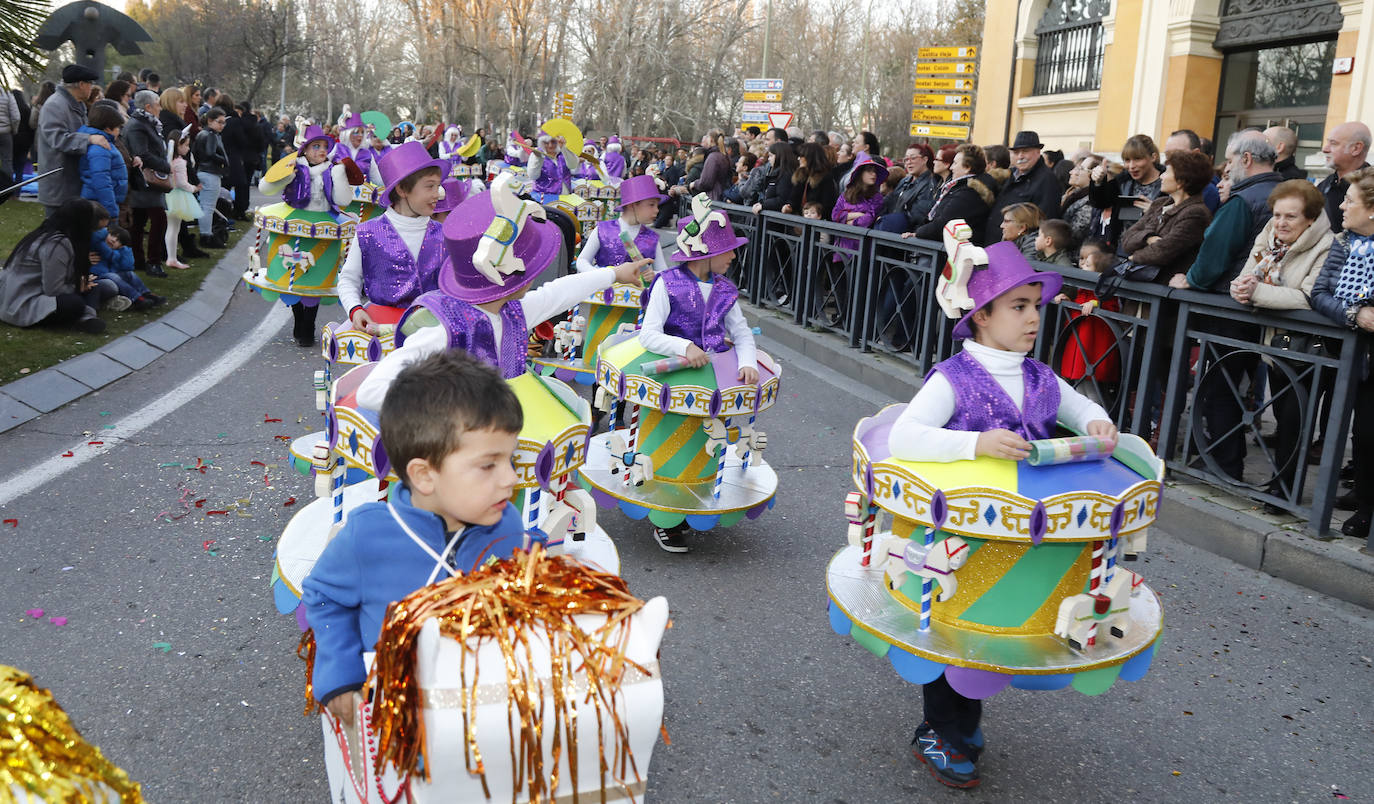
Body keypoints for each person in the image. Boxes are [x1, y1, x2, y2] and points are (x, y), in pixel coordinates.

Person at [886, 241, 1116, 789]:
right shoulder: (953, 377)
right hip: (965, 533)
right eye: (1019, 306)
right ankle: (938, 727)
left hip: (1022, 534)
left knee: (996, 626)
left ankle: (961, 722)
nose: (1035, 317)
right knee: (953, 623)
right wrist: (975, 444)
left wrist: (1098, 423)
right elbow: (904, 435)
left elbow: (1082, 407)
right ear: (982, 316)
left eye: (1036, 304)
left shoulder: (1039, 376)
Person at [302, 349, 535, 726]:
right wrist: (340, 674)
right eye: (489, 465)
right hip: (395, 715)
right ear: (424, 476)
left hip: (482, 709)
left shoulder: (507, 525)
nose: (510, 478)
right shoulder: (369, 535)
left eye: (511, 458)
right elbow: (323, 597)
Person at [355, 173, 642, 410]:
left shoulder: (514, 312)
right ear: (511, 275)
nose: (536, 276)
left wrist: (615, 273)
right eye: (532, 268)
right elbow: (370, 391)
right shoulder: (445, 329)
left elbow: (560, 292)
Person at [637, 195, 759, 552]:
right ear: (705, 254)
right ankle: (665, 511)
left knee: (702, 439)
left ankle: (696, 495)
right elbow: (649, 333)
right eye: (728, 250)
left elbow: (740, 331)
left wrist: (746, 361)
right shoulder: (666, 283)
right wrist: (682, 347)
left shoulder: (725, 290)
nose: (734, 256)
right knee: (670, 440)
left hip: (710, 376)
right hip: (675, 376)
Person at [1169, 130, 1281, 482]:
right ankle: (1224, 460)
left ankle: (1222, 463)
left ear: (1246, 159)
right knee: (1235, 386)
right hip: (1257, 305)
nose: (1226, 169)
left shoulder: (1243, 200)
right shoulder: (1278, 190)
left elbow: (1215, 253)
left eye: (1231, 161)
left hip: (1228, 306)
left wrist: (1191, 279)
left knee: (1219, 387)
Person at [1228, 180, 1333, 510]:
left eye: (1291, 216)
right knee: (1282, 413)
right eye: (1277, 215)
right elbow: (1248, 274)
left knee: (1294, 420)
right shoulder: (1268, 236)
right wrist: (1240, 289)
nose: (1281, 223)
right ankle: (1279, 483)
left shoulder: (1326, 245)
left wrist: (1256, 293)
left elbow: (1309, 297)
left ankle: (1285, 490)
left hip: (1310, 348)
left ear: (1311, 219)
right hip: (1276, 341)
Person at [1309, 167, 1374, 535]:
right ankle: (1364, 498)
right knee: (1362, 434)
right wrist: (1355, 313)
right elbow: (1319, 294)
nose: (1343, 207)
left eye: (1350, 201)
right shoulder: (1345, 242)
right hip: (1355, 351)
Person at [337, 141, 450, 337]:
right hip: (380, 329)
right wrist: (355, 309)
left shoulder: (444, 234)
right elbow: (348, 278)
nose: (437, 195)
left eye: (438, 186)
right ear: (402, 190)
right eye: (430, 186)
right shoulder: (368, 232)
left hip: (431, 331)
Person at [258, 124, 358, 345]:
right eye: (316, 146)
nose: (322, 150)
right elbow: (266, 187)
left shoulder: (333, 170)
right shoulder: (294, 166)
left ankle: (308, 324)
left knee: (316, 279)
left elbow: (343, 201)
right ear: (305, 149)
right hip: (293, 224)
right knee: (291, 280)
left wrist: (340, 175)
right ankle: (298, 319)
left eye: (324, 146)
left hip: (325, 228)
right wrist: (286, 175)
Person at [0, 197, 116, 332]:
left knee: (107, 287)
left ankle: (87, 314)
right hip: (23, 302)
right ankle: (86, 316)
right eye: (95, 229)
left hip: (32, 294)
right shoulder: (57, 243)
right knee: (74, 303)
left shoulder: (52, 234)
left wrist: (81, 283)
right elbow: (53, 290)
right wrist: (79, 286)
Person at [1118, 150, 1215, 281]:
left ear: (1181, 181)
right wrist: (1148, 238)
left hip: (1165, 290)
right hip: (1143, 287)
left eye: (1167, 172)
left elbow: (1162, 252)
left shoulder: (1196, 213)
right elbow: (1127, 240)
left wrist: (1134, 257)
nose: (1161, 176)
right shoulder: (1159, 204)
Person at [38, 65, 105, 217]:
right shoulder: (54, 105)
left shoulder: (77, 104)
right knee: (58, 235)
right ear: (81, 84)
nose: (92, 88)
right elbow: (58, 139)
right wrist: (89, 139)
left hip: (73, 182)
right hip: (59, 185)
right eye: (90, 84)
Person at [574, 173, 668, 277]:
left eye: (657, 205)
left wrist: (654, 274)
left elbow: (664, 272)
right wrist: (599, 274)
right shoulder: (603, 230)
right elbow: (582, 260)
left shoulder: (652, 238)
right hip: (604, 290)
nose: (657, 210)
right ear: (632, 205)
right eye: (651, 205)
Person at [123, 90, 171, 277]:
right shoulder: (137, 126)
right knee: (157, 220)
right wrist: (165, 166)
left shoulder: (147, 124)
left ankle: (140, 259)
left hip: (148, 182)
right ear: (148, 107)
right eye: (158, 103)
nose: (160, 107)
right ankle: (152, 261)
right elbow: (141, 153)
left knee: (140, 221)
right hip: (144, 182)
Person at [907, 144, 995, 244]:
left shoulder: (969, 193)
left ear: (967, 167)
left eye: (955, 163)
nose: (952, 167)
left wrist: (918, 233)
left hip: (952, 252)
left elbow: (943, 222)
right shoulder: (962, 187)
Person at [983, 131, 1060, 244]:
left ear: (1038, 152)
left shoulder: (1047, 180)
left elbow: (1046, 221)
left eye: (1025, 151)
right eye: (1016, 152)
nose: (1020, 156)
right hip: (996, 244)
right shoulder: (1011, 174)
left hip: (1017, 250)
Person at [1087, 134, 1163, 247]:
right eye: (1127, 160)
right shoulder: (1122, 180)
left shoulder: (1167, 182)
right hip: (1120, 249)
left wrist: (1155, 212)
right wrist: (1098, 182)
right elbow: (1100, 203)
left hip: (1150, 250)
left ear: (1153, 157)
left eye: (1137, 159)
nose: (1131, 166)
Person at [92, 222, 162, 310]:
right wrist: (105, 232)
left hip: (112, 277)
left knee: (130, 274)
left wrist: (123, 249)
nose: (113, 240)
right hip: (97, 277)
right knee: (112, 276)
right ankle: (137, 299)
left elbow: (127, 266)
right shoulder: (98, 244)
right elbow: (95, 235)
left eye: (118, 241)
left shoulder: (118, 253)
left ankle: (146, 294)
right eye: (112, 235)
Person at [1317, 122, 1371, 234]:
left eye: (1333, 143)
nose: (1325, 149)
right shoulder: (1323, 186)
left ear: (1356, 148)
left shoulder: (1370, 187)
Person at [78, 103, 128, 220]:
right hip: (100, 206)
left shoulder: (105, 144)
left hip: (101, 202)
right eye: (118, 128)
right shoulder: (100, 148)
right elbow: (101, 182)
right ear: (108, 128)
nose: (119, 131)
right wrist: (110, 211)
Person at [875, 143, 936, 233]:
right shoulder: (905, 181)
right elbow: (889, 201)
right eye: (906, 159)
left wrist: (889, 220)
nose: (909, 162)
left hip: (905, 236)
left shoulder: (930, 184)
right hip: (890, 229)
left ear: (925, 160)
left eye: (913, 158)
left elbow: (917, 217)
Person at [163, 129, 201, 271]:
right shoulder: (180, 162)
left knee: (171, 228)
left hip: (169, 195)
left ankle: (171, 257)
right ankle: (171, 258)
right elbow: (182, 183)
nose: (188, 148)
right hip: (178, 196)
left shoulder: (169, 160)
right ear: (178, 146)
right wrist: (194, 189)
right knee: (174, 228)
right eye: (185, 145)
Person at [193, 108, 229, 250]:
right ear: (210, 121)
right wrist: (224, 161)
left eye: (224, 123)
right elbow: (210, 153)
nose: (222, 125)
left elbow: (200, 153)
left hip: (204, 171)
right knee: (208, 207)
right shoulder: (211, 135)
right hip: (210, 172)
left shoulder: (203, 134)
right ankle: (206, 236)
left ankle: (206, 235)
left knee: (206, 206)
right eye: (219, 122)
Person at [1162, 128, 1221, 212]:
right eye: (1167, 155)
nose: (1170, 160)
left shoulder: (1207, 191)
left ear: (1195, 154)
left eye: (1177, 154)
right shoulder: (1168, 181)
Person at [784, 141, 838, 219]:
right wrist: (789, 206)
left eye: (802, 156)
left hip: (816, 225)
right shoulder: (800, 175)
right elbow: (794, 199)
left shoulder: (826, 178)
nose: (799, 158)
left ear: (810, 157)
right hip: (799, 222)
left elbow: (827, 206)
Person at [1060, 154, 1103, 244]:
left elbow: (1075, 234)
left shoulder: (1090, 202)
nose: (1073, 172)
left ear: (1093, 174)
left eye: (1081, 169)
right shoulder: (1075, 194)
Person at [751, 142, 797, 214]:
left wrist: (763, 205)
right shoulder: (776, 173)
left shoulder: (786, 174)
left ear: (779, 156)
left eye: (771, 156)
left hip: (778, 219)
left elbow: (781, 199)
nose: (769, 159)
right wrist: (761, 203)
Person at [526, 132, 573, 203]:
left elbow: (574, 171)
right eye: (546, 143)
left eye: (553, 142)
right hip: (544, 197)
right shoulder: (536, 153)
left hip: (565, 198)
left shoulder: (563, 153)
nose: (550, 146)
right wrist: (538, 159)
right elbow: (532, 176)